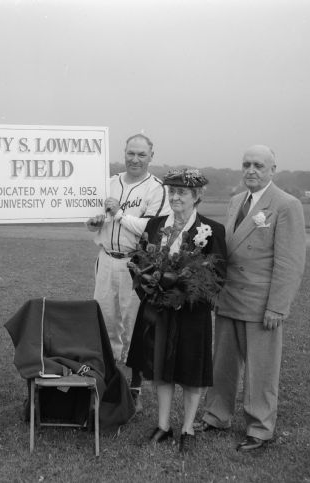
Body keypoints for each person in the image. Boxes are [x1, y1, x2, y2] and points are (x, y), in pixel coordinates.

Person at [197, 145, 306, 451]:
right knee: (223, 365)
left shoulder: (286, 205)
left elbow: (290, 263)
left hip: (261, 304)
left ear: (273, 169)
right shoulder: (235, 202)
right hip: (229, 297)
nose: (251, 170)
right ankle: (216, 415)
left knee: (262, 370)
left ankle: (259, 428)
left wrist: (278, 306)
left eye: (259, 165)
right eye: (246, 164)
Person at [126, 168, 227, 452]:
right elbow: (139, 262)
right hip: (159, 312)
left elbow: (217, 276)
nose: (176, 197)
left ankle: (187, 429)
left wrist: (185, 295)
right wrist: (149, 288)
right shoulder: (154, 225)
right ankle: (164, 426)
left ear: (197, 197)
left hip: (192, 314)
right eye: (172, 192)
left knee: (190, 371)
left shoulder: (212, 230)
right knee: (162, 370)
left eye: (182, 192)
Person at [86, 133, 169, 411]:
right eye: (131, 153)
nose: (135, 159)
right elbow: (95, 223)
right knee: (104, 319)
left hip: (137, 262)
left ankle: (135, 387)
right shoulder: (109, 182)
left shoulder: (157, 188)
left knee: (135, 324)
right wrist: (94, 222)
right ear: (124, 153)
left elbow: (152, 228)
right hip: (106, 258)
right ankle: (108, 379)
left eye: (141, 154)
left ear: (151, 157)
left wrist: (119, 214)